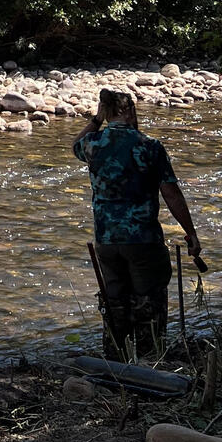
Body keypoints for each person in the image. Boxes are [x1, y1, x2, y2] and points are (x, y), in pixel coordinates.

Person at [73, 89, 201, 360]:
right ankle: (149, 362)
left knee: (114, 303)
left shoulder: (92, 144)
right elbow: (171, 194)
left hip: (106, 240)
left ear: (106, 112)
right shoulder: (149, 146)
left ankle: (115, 361)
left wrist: (97, 120)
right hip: (142, 239)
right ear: (130, 110)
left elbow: (75, 143)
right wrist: (190, 233)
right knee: (148, 304)